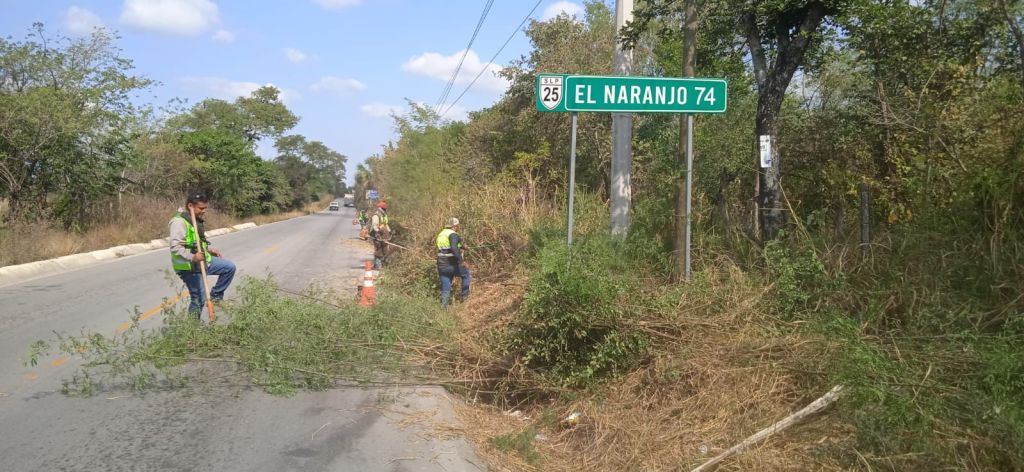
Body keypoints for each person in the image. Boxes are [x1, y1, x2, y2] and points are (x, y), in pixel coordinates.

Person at [169, 193, 237, 319]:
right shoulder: (179, 222)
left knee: (229, 268)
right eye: (201, 208)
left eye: (205, 208)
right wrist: (193, 257)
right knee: (199, 298)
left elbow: (195, 243)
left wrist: (208, 251)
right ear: (190, 206)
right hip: (188, 267)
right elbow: (175, 247)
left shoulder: (193, 219)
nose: (204, 211)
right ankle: (192, 328)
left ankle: (216, 297)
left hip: (202, 261)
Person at [436, 217, 470, 308]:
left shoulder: (441, 234)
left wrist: (462, 246)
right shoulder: (453, 234)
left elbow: (447, 246)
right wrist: (462, 261)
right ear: (455, 226)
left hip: (441, 265)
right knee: (466, 274)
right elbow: (454, 248)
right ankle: (465, 298)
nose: (458, 228)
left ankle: (444, 307)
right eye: (457, 226)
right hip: (451, 264)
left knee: (446, 284)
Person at [370, 201, 391, 270]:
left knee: (385, 250)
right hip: (377, 235)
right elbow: (374, 226)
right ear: (381, 208)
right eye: (384, 209)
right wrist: (377, 234)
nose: (385, 210)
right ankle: (377, 265)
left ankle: (384, 265)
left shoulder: (384, 216)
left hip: (384, 235)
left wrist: (389, 231)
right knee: (378, 250)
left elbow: (385, 224)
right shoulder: (376, 215)